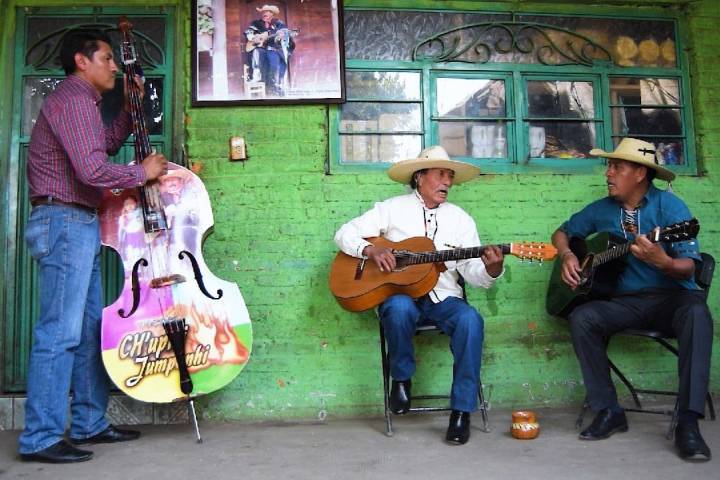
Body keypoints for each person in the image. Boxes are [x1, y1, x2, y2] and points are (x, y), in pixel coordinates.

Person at [19, 29, 167, 463]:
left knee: (87, 331)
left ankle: (88, 422)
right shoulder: (73, 100)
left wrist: (131, 108)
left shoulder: (84, 104)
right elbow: (92, 170)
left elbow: (104, 147)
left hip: (77, 221)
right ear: (82, 61)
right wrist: (141, 174)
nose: (115, 66)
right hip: (64, 220)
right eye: (107, 58)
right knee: (60, 332)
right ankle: (41, 437)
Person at [551, 137, 713, 461]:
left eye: (617, 167)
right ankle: (609, 411)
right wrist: (568, 254)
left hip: (673, 299)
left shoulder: (671, 208)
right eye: (609, 166)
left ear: (640, 173)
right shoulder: (602, 209)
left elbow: (690, 267)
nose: (608, 173)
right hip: (627, 302)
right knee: (583, 318)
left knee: (698, 315)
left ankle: (688, 423)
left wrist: (663, 262)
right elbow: (561, 233)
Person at [334, 146, 505, 445]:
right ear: (419, 177)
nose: (448, 181)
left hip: (445, 298)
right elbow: (343, 234)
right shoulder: (391, 208)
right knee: (398, 308)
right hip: (401, 296)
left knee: (471, 321)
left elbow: (472, 272)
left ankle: (462, 412)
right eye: (441, 174)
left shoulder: (461, 219)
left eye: (450, 176)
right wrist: (371, 250)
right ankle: (401, 378)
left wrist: (492, 269)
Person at [244, 4, 295, 96]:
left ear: (272, 14)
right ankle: (258, 77)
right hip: (261, 50)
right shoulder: (256, 23)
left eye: (267, 12)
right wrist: (253, 37)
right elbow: (248, 32)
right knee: (259, 55)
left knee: (276, 63)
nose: (265, 14)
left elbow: (284, 32)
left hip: (274, 49)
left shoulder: (278, 23)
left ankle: (276, 87)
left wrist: (269, 34)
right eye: (263, 12)